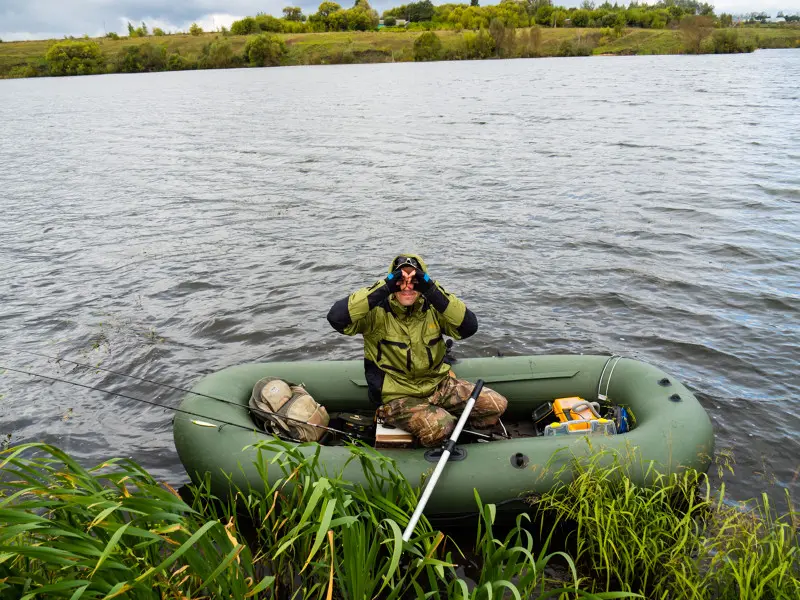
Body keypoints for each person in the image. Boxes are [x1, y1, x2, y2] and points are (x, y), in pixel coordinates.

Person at [326, 254, 507, 447]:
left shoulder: (433, 308)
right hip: (398, 395)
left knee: (496, 404)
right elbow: (337, 317)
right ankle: (422, 437)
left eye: (414, 281)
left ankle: (463, 436)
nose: (407, 287)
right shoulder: (375, 312)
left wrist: (431, 288)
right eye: (401, 281)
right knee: (441, 426)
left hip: (438, 385)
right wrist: (385, 286)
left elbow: (469, 326)